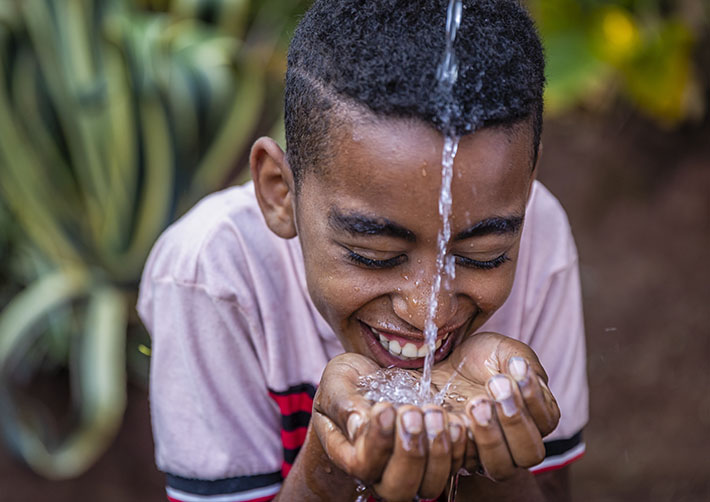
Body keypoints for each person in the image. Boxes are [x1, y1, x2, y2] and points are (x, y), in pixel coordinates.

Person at [137, 0, 588, 500]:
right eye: (374, 255)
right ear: (279, 193)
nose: (428, 310)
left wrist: (484, 456)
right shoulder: (212, 273)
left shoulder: (539, 230)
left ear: (527, 183)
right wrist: (329, 464)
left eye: (482, 257)